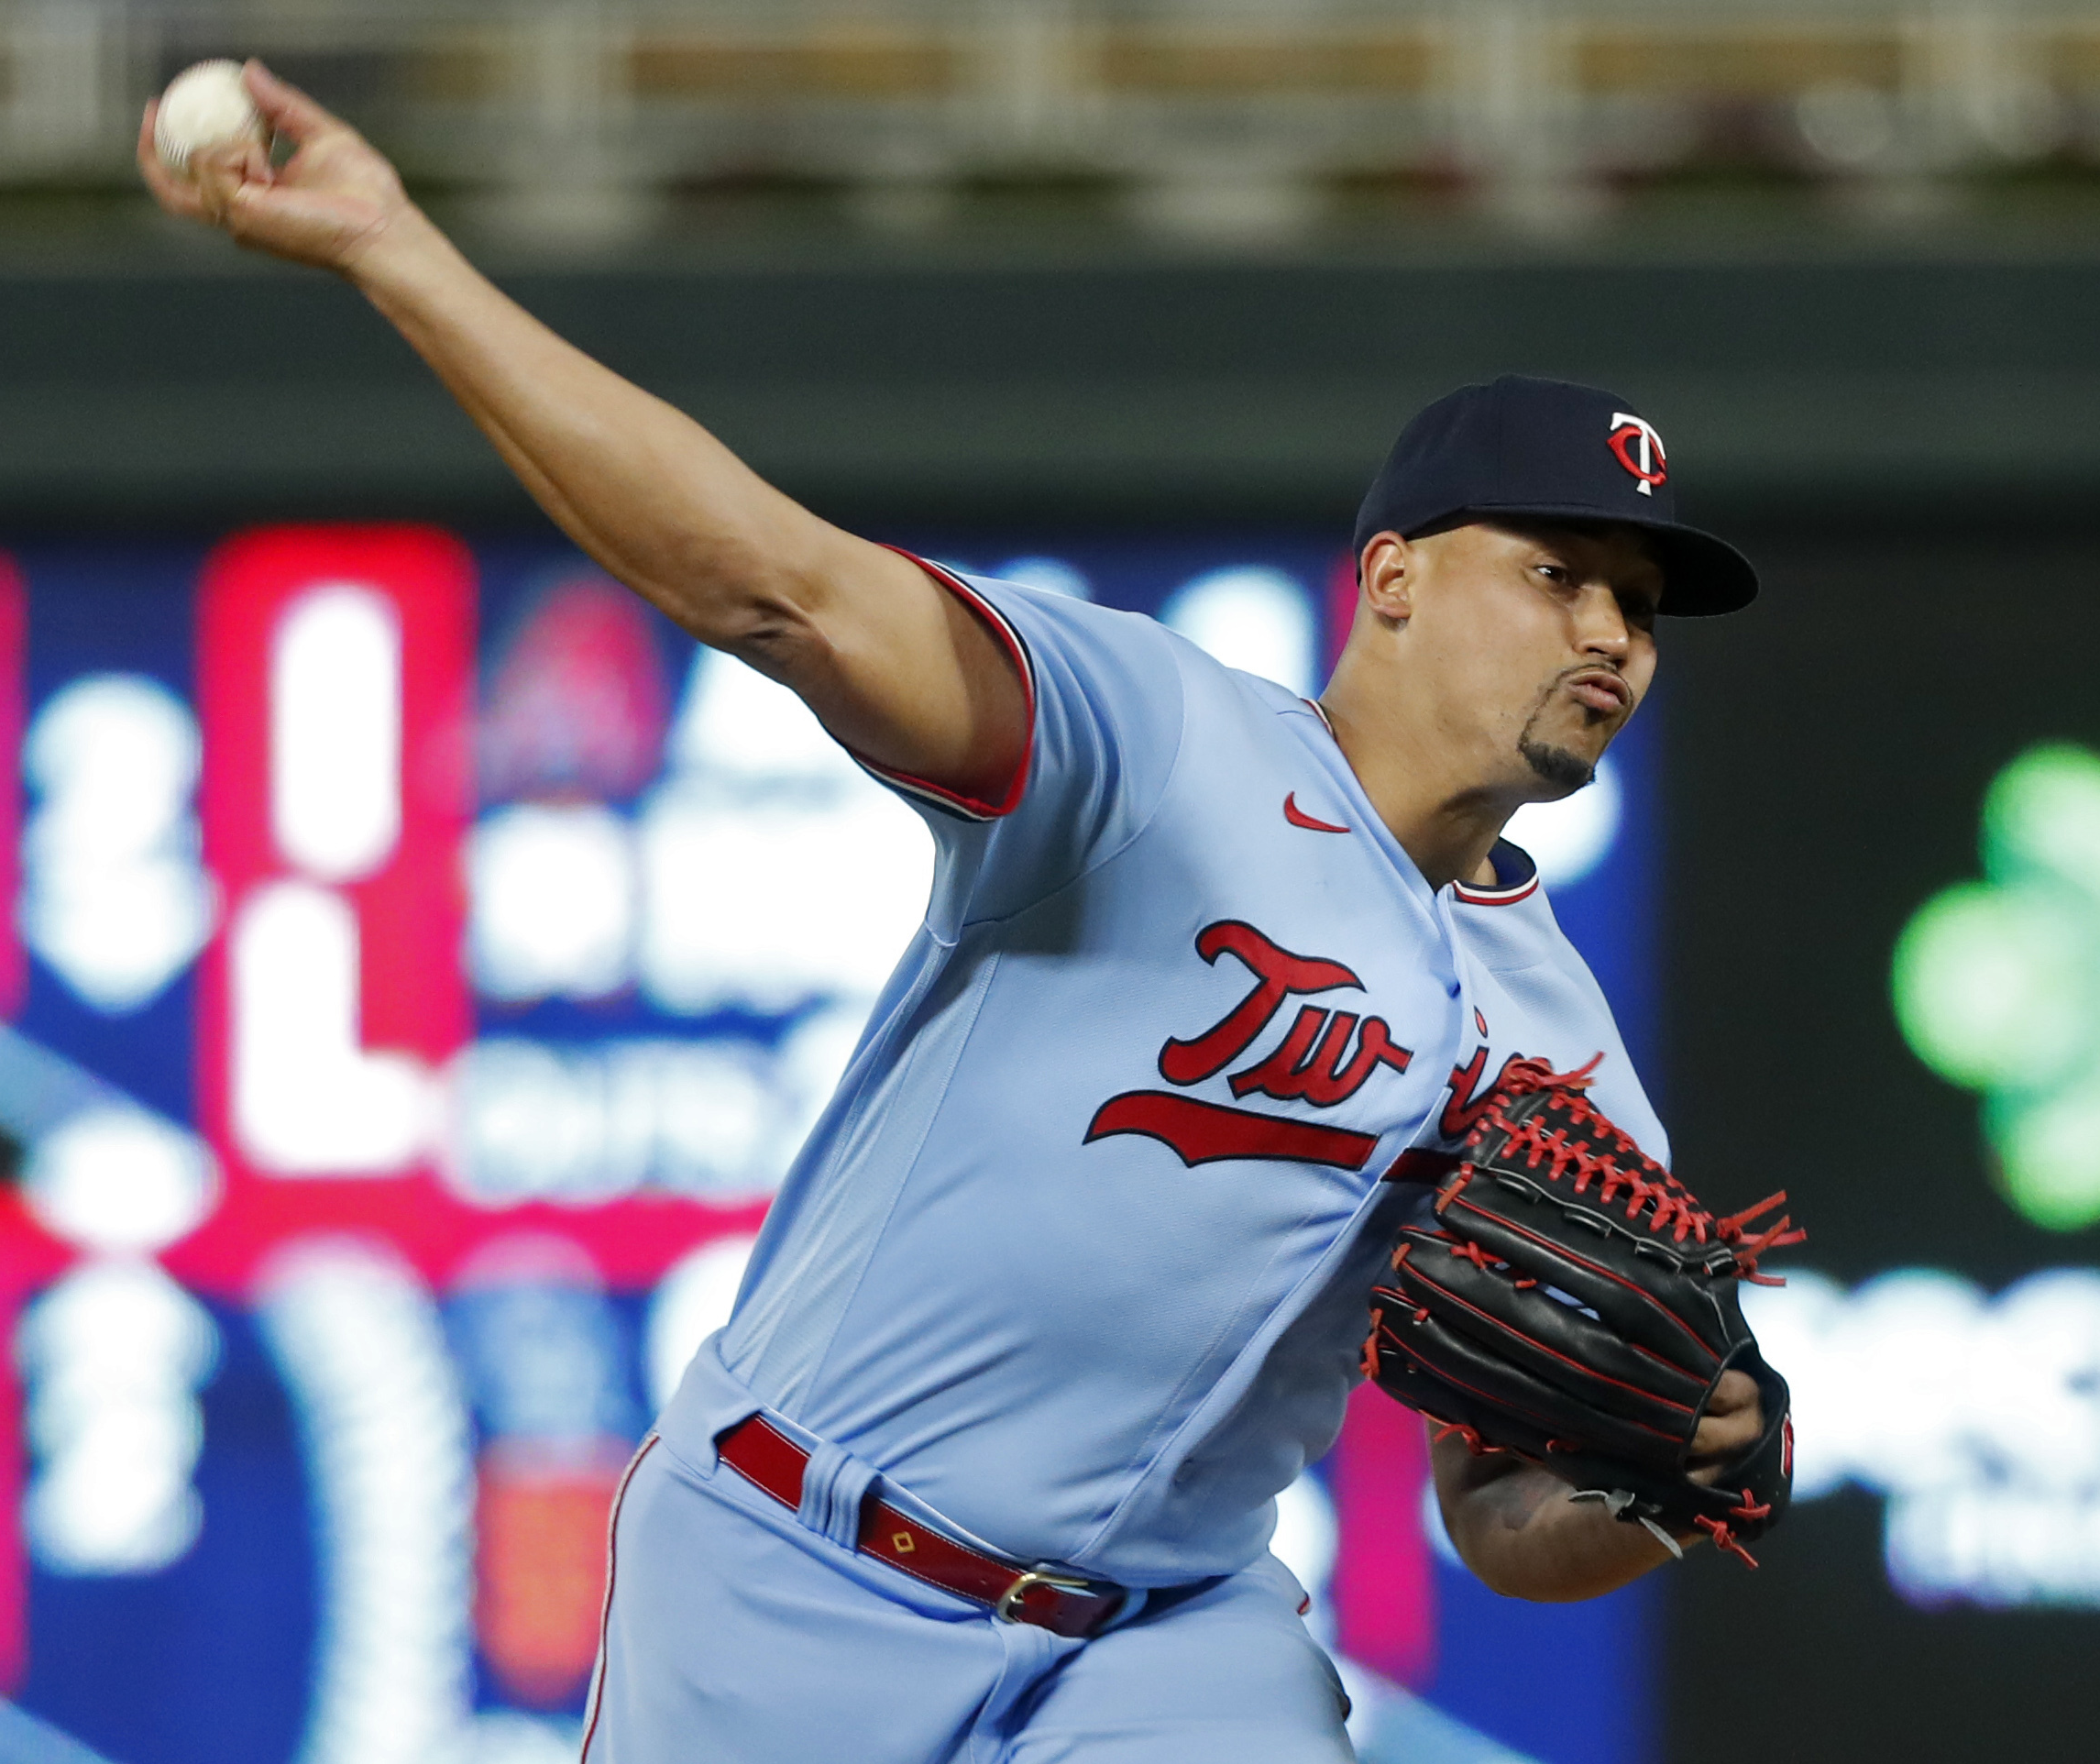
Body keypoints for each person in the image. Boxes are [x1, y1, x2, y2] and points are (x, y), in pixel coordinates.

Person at [140, 65, 1771, 1762]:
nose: (1612, 636)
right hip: (790, 1566)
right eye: (1559, 573)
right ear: (1392, 581)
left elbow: (1502, 1520)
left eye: (1643, 607)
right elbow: (771, 582)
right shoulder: (1152, 744)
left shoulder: (1560, 1041)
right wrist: (399, 249)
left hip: (1159, 1639)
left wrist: (1667, 1482)